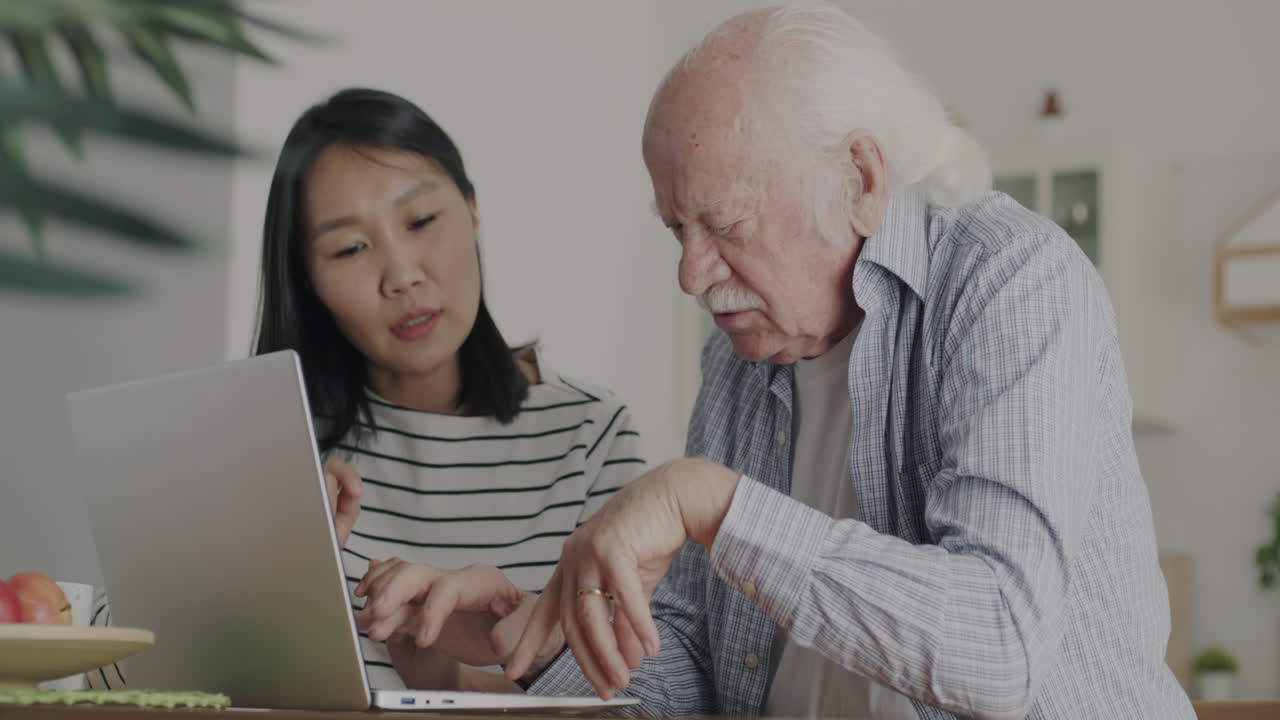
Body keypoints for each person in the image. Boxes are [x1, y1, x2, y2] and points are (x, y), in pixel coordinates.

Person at [366, 5, 1197, 719]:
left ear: (860, 179)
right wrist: (534, 631)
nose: (692, 274)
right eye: (674, 230)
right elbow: (687, 676)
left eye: (725, 224)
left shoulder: (1010, 279)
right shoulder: (741, 357)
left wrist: (714, 503)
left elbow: (999, 646)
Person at [87, 87, 645, 693]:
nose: (402, 275)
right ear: (309, 279)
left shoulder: (592, 436)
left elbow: (649, 693)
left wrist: (450, 672)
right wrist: (251, 562)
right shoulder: (261, 446)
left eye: (422, 221)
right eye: (350, 248)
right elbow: (100, 674)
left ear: (473, 210)